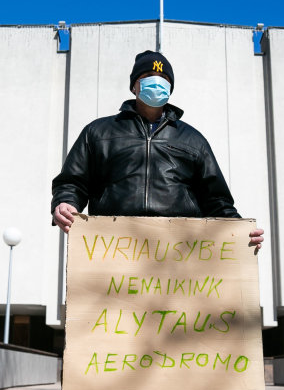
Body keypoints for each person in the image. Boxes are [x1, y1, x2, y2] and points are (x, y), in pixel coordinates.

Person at [51, 50, 264, 252]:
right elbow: (72, 182)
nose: (156, 80)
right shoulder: (98, 132)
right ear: (134, 86)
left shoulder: (193, 140)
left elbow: (216, 200)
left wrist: (240, 231)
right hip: (114, 247)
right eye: (148, 75)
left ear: (170, 88)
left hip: (177, 251)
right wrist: (66, 203)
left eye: (163, 77)